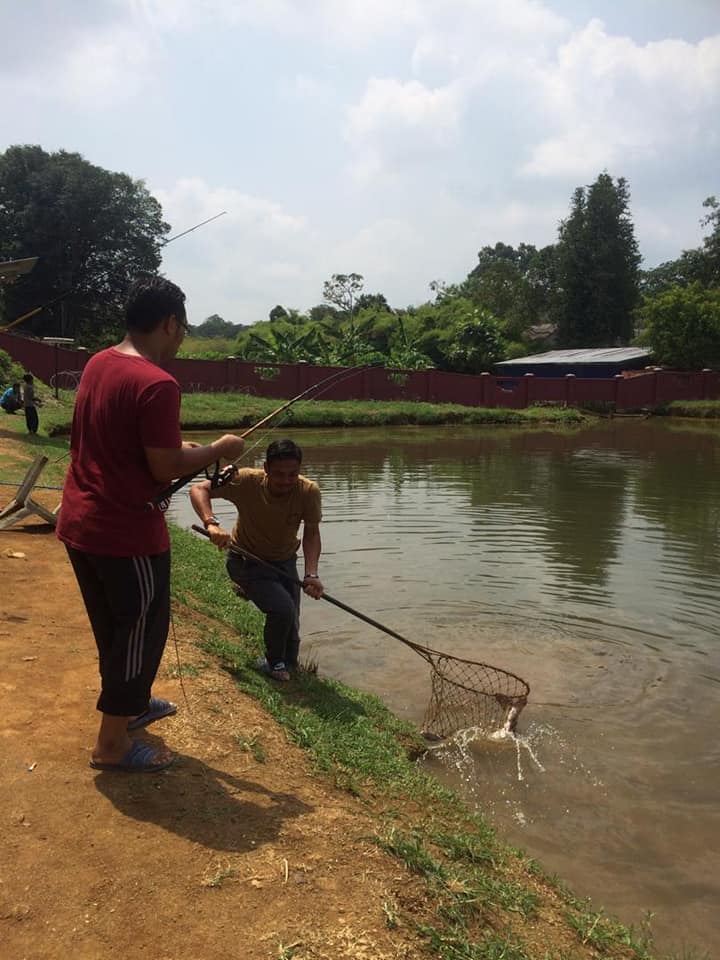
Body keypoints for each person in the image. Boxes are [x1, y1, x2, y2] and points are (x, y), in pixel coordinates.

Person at [56, 276, 245, 773]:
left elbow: (136, 450)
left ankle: (133, 706)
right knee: (139, 632)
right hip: (125, 535)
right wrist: (221, 449)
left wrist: (192, 453)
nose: (181, 339)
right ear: (168, 323)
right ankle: (111, 744)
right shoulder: (158, 383)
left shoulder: (100, 362)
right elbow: (163, 466)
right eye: (181, 328)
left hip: (81, 522)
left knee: (115, 631)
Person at [190, 438, 323, 682]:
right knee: (283, 609)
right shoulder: (246, 480)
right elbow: (199, 489)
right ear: (265, 468)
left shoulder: (308, 491)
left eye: (292, 474)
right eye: (279, 474)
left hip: (284, 562)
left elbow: (312, 533)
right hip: (246, 561)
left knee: (291, 625)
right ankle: (273, 664)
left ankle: (289, 665)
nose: (286, 481)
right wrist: (211, 523)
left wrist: (311, 574)